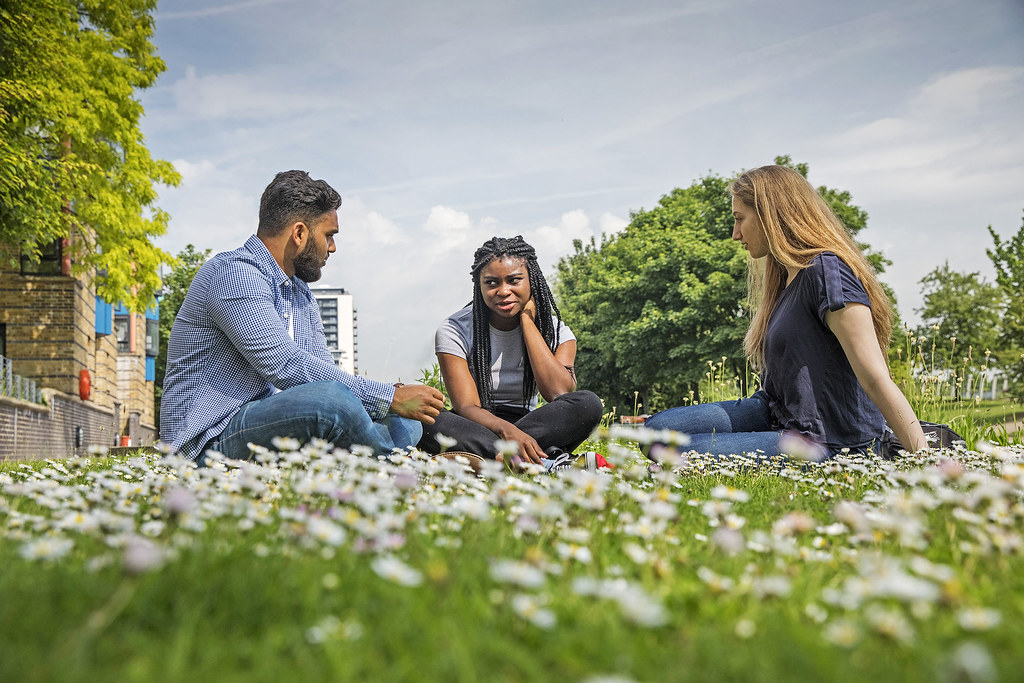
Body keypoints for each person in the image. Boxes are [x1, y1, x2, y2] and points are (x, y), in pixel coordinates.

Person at [644, 164, 927, 460]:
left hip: (828, 441)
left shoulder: (828, 273)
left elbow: (875, 378)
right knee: (655, 432)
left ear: (770, 216)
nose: (735, 234)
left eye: (740, 219)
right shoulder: (786, 277)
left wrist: (925, 461)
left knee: (668, 448)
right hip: (776, 412)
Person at [160, 170, 445, 462]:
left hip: (270, 427)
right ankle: (397, 464)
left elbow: (322, 369)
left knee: (404, 418)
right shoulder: (235, 274)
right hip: (209, 441)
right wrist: (388, 397)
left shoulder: (299, 292)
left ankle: (375, 458)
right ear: (299, 233)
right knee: (332, 401)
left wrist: (392, 399)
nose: (332, 247)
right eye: (329, 236)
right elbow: (284, 365)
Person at [418, 236, 603, 467]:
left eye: (514, 280)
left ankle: (485, 461)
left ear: (532, 281)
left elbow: (559, 392)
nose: (503, 291)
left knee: (588, 404)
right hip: (475, 424)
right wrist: (507, 432)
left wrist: (527, 322)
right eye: (492, 283)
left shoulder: (557, 332)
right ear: (479, 285)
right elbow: (466, 406)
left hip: (533, 423)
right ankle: (544, 460)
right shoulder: (454, 329)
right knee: (425, 418)